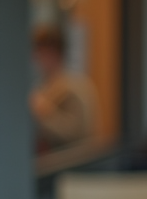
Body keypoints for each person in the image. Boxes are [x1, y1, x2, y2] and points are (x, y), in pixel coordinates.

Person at [29, 24, 97, 153]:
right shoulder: (44, 84)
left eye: (40, 52)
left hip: (69, 163)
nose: (36, 59)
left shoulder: (75, 87)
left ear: (53, 52)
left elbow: (76, 133)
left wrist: (42, 111)